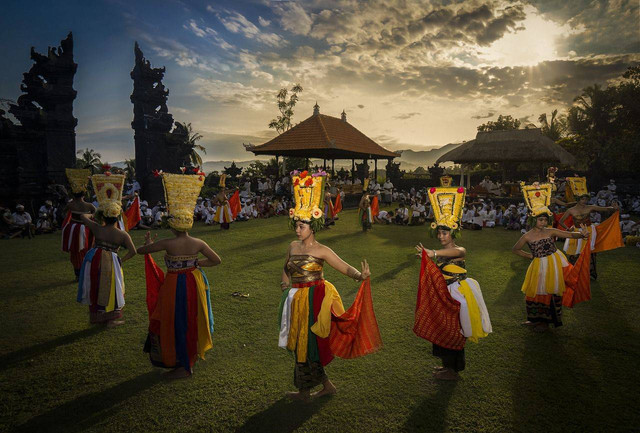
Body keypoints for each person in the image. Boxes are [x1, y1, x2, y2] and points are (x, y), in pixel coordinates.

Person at [280, 170, 381, 402]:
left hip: (315, 301)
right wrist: (285, 283)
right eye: (296, 225)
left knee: (309, 343)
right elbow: (286, 267)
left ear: (313, 226)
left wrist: (360, 275)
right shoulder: (293, 246)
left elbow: (343, 267)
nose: (297, 229)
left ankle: (305, 392)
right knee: (301, 343)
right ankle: (324, 386)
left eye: (302, 226)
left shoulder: (322, 250)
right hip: (296, 299)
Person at [139, 172, 221, 379]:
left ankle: (183, 365)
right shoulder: (198, 243)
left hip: (174, 284)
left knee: (174, 321)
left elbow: (142, 251)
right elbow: (216, 260)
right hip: (194, 283)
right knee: (191, 319)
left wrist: (148, 244)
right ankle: (186, 360)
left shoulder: (167, 243)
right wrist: (196, 263)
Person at [414, 186, 491, 381]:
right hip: (445, 293)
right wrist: (428, 259)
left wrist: (433, 254)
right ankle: (447, 366)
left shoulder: (459, 250)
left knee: (454, 330)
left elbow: (454, 254)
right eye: (439, 233)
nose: (441, 237)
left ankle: (454, 370)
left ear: (453, 234)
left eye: (445, 233)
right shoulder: (442, 252)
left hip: (457, 294)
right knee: (443, 327)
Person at [512, 182, 590, 332]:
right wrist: (530, 256)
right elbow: (515, 249)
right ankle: (533, 319)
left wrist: (582, 234)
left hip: (553, 262)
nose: (544, 222)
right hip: (538, 264)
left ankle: (546, 322)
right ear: (533, 220)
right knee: (535, 290)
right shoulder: (527, 236)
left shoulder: (551, 231)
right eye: (541, 220)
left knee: (550, 289)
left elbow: (570, 234)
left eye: (545, 219)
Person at [77, 174, 136, 326]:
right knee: (110, 288)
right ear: (117, 217)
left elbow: (83, 217)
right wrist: (121, 260)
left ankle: (96, 318)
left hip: (95, 257)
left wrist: (96, 213)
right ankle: (109, 320)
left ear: (104, 216)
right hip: (111, 260)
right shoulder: (122, 234)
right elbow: (133, 251)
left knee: (96, 285)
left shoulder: (97, 228)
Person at [559, 177, 619, 280]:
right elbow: (561, 221)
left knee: (590, 253)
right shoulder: (571, 210)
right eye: (583, 199)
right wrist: (568, 229)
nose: (585, 201)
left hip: (589, 231)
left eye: (586, 199)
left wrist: (614, 208)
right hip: (576, 232)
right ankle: (573, 272)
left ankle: (591, 274)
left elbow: (604, 209)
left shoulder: (590, 207)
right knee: (575, 253)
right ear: (578, 199)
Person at [62, 169, 96, 280]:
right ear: (84, 193)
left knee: (75, 253)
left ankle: (78, 274)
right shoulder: (89, 206)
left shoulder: (70, 205)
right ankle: (83, 273)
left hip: (73, 229)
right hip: (85, 230)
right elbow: (97, 215)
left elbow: (62, 212)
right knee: (85, 250)